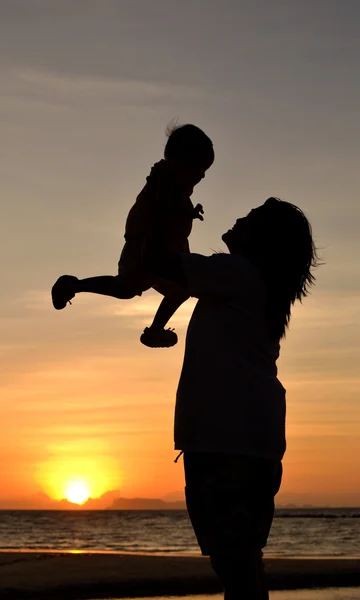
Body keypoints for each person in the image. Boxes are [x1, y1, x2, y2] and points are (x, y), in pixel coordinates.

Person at [146, 197, 320, 600]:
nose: (239, 216)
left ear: (261, 240)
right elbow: (180, 276)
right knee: (244, 563)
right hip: (253, 442)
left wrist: (159, 206)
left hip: (222, 440)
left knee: (234, 567)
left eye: (251, 218)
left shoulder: (237, 273)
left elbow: (160, 267)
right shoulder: (258, 286)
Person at [50, 123, 214, 348]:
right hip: (149, 250)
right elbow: (159, 215)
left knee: (173, 289)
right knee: (128, 288)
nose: (203, 175)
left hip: (160, 251)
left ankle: (154, 331)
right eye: (200, 168)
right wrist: (153, 250)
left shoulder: (170, 184)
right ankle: (74, 286)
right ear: (182, 161)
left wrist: (189, 213)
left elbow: (168, 211)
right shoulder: (166, 182)